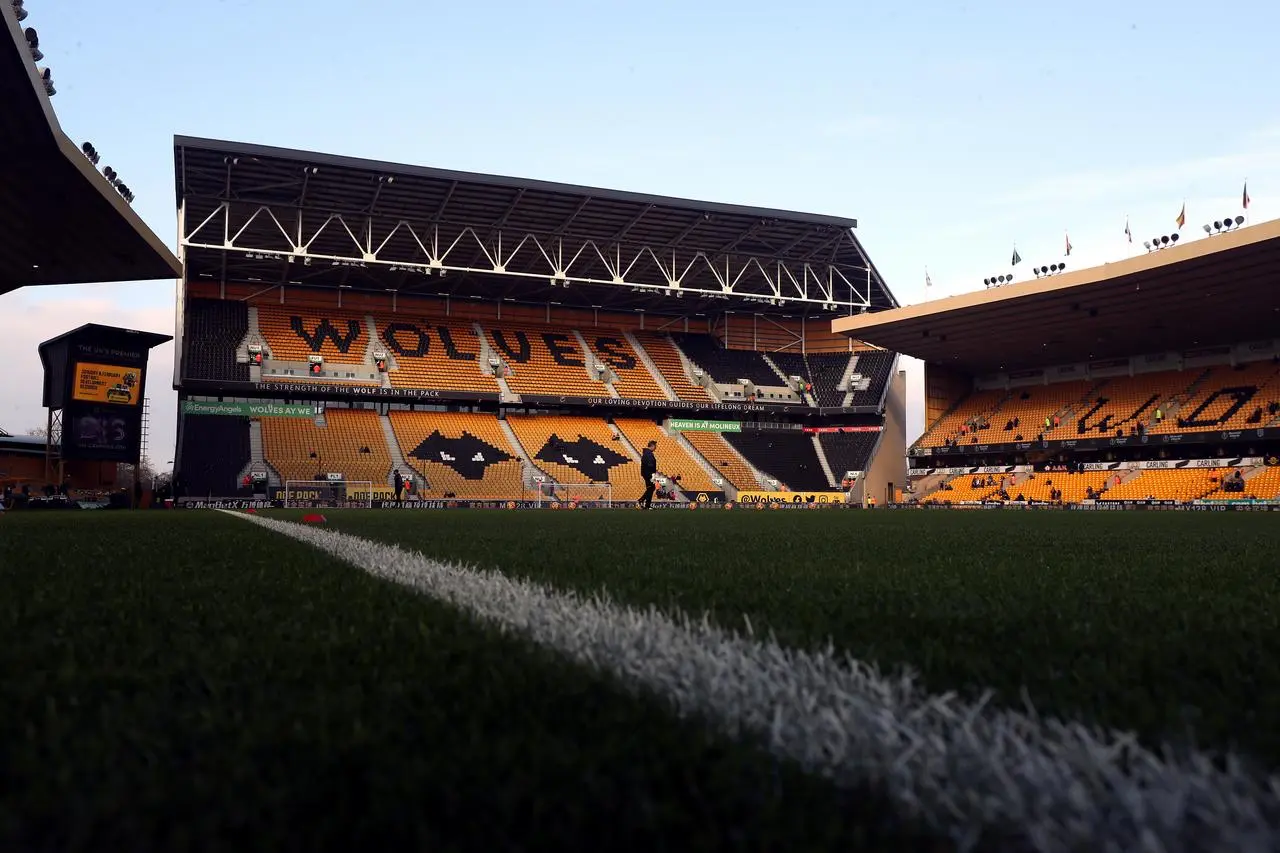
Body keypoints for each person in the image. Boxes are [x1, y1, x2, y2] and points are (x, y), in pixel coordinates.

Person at [638, 440, 658, 510]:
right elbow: (650, 465)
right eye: (655, 446)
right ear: (652, 446)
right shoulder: (648, 454)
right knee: (651, 488)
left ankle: (646, 504)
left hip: (647, 473)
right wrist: (652, 474)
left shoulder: (647, 453)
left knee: (651, 488)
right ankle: (642, 501)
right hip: (648, 474)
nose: (656, 448)